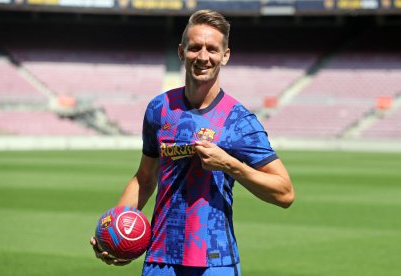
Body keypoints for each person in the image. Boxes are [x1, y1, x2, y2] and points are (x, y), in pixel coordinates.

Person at [91, 9, 294, 275]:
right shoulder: (159, 109)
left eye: (212, 49)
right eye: (195, 47)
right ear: (181, 51)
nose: (202, 56)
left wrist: (231, 166)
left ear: (225, 55)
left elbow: (285, 193)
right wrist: (114, 230)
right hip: (160, 258)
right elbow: (144, 178)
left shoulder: (239, 120)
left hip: (215, 261)